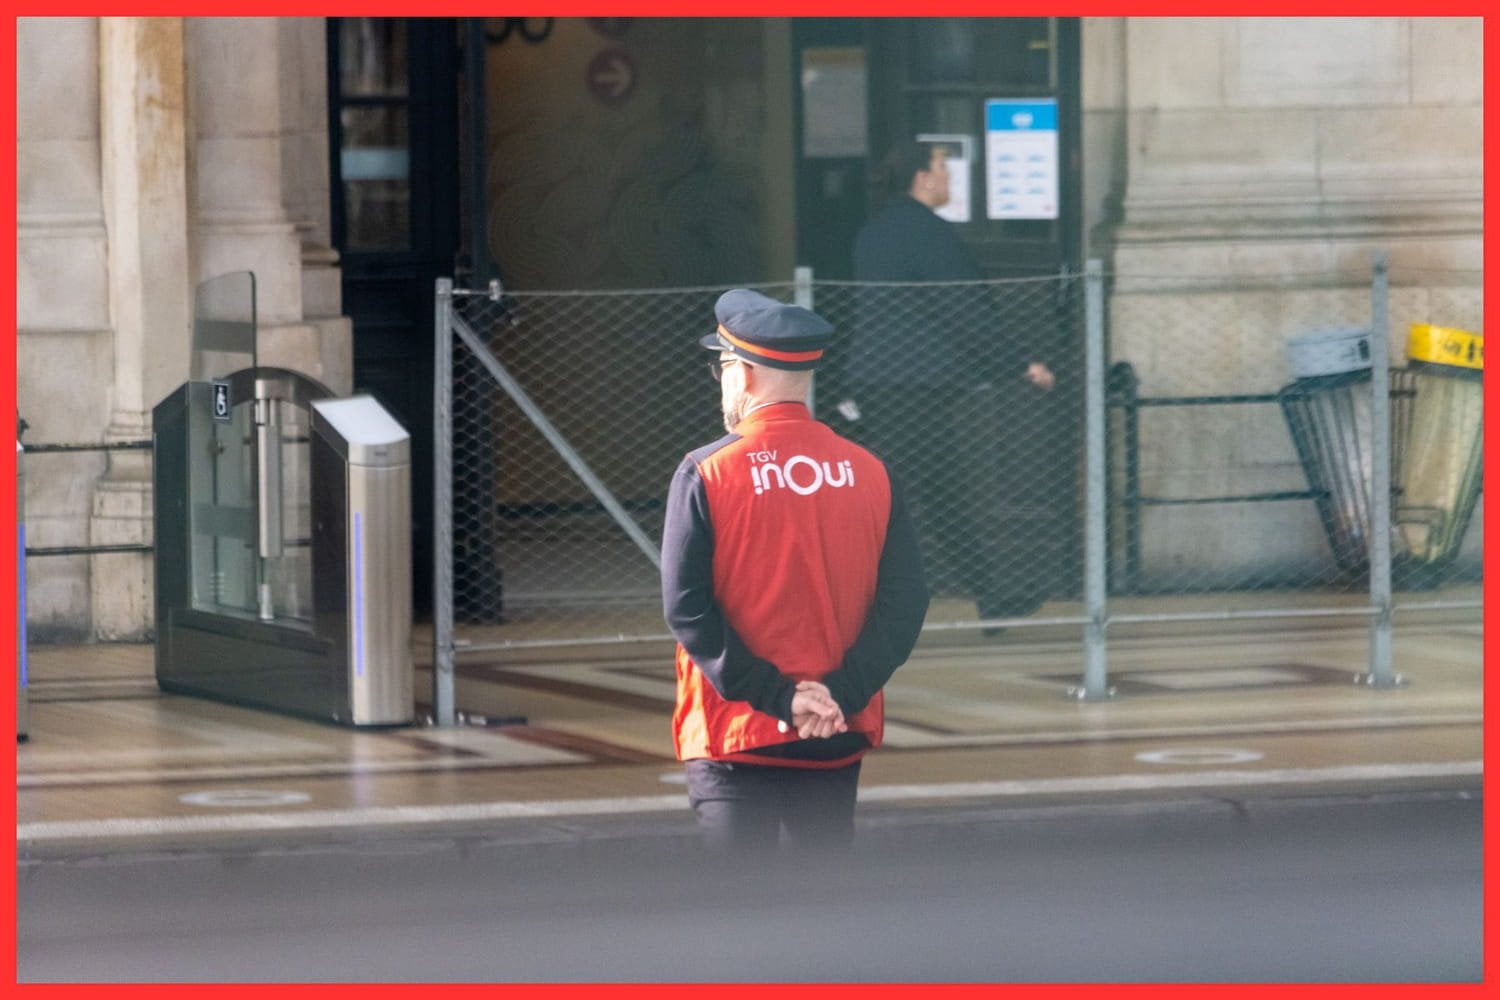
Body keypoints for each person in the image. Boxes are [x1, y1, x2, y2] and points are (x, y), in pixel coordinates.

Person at [660, 288, 930, 853]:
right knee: (825, 911)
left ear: (746, 374)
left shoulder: (706, 472)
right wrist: (836, 695)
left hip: (733, 731)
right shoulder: (872, 471)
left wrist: (780, 700)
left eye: (723, 368)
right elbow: (905, 602)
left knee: (740, 917)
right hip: (835, 730)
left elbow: (687, 607)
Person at [842, 139, 1057, 625]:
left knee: (937, 494)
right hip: (917, 386)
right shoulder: (929, 234)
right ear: (922, 178)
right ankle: (842, 599)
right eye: (943, 167)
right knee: (911, 499)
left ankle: (992, 596)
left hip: (882, 383)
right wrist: (1019, 364)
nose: (949, 177)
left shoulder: (873, 232)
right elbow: (965, 310)